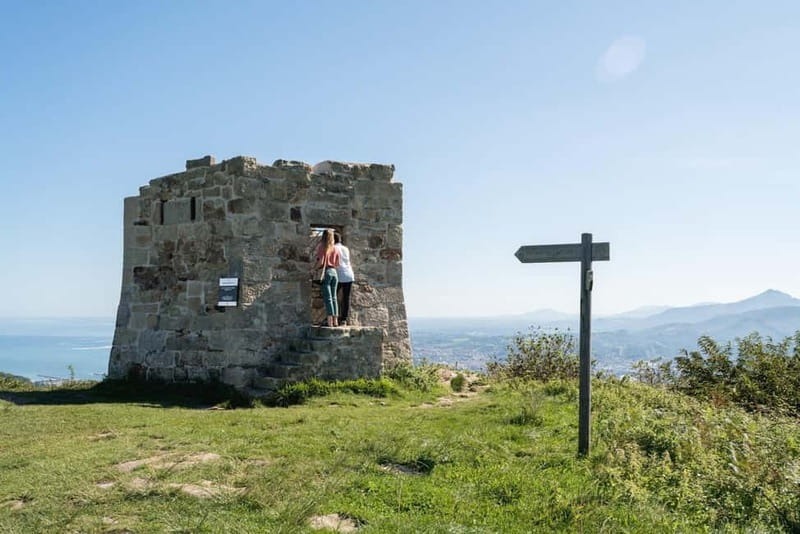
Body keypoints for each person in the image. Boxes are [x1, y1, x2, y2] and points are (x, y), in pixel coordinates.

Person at [315, 229, 340, 327]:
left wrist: (314, 269)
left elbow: (321, 262)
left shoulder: (322, 247)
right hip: (335, 273)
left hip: (326, 272)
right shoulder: (335, 248)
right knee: (334, 297)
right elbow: (337, 264)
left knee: (328, 298)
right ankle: (335, 321)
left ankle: (329, 321)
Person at [334, 232, 355, 326]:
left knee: (333, 297)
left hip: (339, 275)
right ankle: (343, 319)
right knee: (346, 298)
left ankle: (333, 317)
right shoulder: (346, 249)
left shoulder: (333, 248)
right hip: (349, 274)